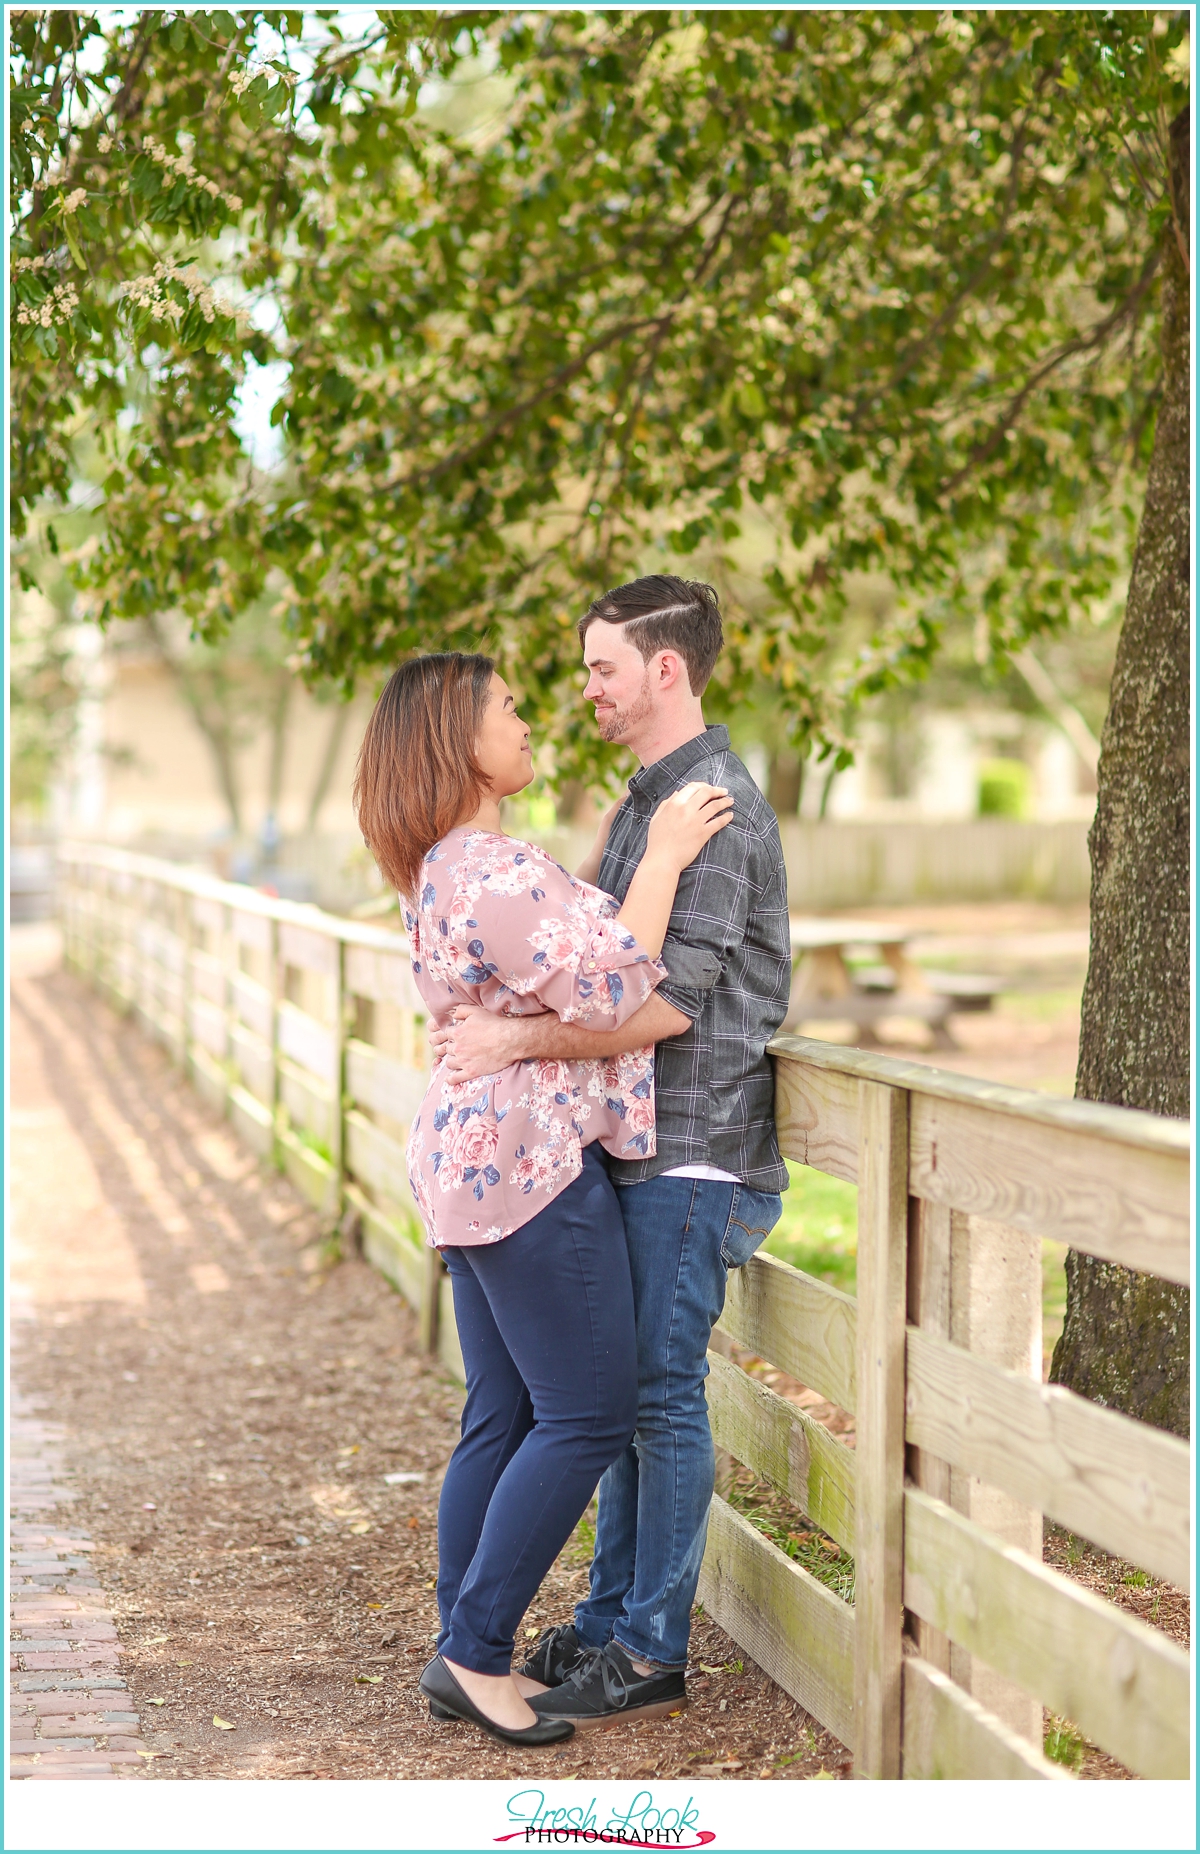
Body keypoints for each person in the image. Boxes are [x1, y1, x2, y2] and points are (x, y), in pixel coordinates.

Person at [353, 650, 733, 1747]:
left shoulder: (448, 870)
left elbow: (564, 965)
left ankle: (458, 1642)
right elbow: (620, 983)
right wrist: (660, 853)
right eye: (506, 707)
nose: (527, 718)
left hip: (471, 1167)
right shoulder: (492, 872)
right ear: (456, 743)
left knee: (506, 1412)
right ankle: (474, 1652)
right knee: (587, 1416)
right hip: (528, 1170)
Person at [434, 576, 792, 1729]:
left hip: (695, 1147)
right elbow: (595, 951)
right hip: (633, 1149)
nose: (582, 688)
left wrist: (511, 1037)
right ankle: (606, 1617)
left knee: (653, 1397)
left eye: (600, 667)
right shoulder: (649, 807)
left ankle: (648, 1644)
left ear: (664, 671)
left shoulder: (718, 806)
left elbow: (668, 1001)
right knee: (621, 1396)